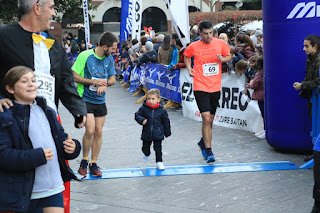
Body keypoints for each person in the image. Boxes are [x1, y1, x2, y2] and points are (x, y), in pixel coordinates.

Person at [0, 66, 81, 213]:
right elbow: (4, 155)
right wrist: (37, 156)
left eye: (33, 80)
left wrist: (73, 147)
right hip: (24, 192)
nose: (31, 84)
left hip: (53, 187)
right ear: (10, 89)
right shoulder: (6, 116)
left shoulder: (47, 109)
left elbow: (61, 138)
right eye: (24, 81)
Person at [0, 0, 87, 127]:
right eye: (51, 8)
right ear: (37, 9)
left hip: (47, 121)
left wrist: (78, 109)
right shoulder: (4, 37)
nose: (54, 13)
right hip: (12, 125)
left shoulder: (54, 44)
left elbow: (65, 80)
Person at [184, 20, 231, 163]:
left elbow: (229, 56)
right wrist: (189, 68)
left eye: (211, 33)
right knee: (205, 118)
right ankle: (209, 150)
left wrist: (223, 59)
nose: (209, 36)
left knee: (210, 120)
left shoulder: (220, 43)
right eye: (205, 34)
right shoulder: (194, 46)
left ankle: (203, 142)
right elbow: (187, 56)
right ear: (200, 33)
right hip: (200, 86)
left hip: (215, 87)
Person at [72, 32, 118, 177]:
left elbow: (112, 80)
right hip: (85, 98)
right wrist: (94, 82)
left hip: (100, 100)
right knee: (90, 130)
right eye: (112, 49)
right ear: (105, 46)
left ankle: (94, 163)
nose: (114, 52)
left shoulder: (109, 59)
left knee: (99, 131)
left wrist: (105, 84)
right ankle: (84, 160)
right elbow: (73, 76)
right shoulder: (85, 56)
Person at [291, 35, 320, 213]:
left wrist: (303, 85)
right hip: (313, 97)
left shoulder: (317, 60)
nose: (304, 49)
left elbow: (317, 80)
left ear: (315, 46)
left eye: (306, 46)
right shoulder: (311, 59)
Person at [135, 89, 171, 170]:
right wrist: (142, 120)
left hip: (158, 133)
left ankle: (159, 162)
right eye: (148, 99)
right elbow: (137, 115)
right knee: (145, 147)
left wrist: (167, 132)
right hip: (147, 133)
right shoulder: (144, 108)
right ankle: (146, 154)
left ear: (158, 100)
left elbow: (166, 121)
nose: (150, 101)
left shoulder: (162, 110)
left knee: (158, 148)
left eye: (153, 99)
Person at [246, 56, 265, 139]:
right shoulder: (268, 72)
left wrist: (249, 85)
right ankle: (265, 130)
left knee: (263, 113)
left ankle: (265, 130)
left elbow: (255, 84)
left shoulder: (259, 73)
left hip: (261, 96)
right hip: (266, 95)